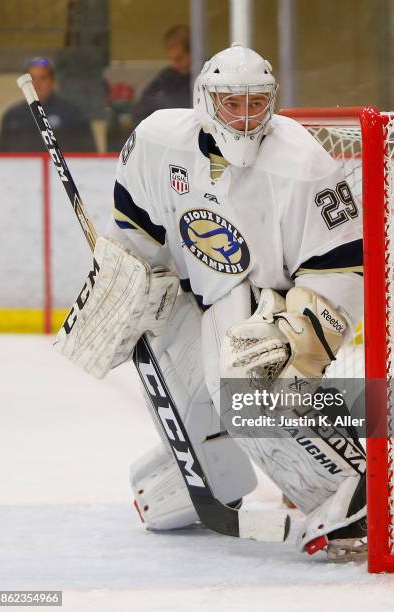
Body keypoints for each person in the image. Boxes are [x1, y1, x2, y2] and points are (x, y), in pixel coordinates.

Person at [55, 43, 366, 561]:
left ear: (271, 103)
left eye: (255, 104)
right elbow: (139, 236)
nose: (245, 117)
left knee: (241, 369)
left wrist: (301, 331)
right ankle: (201, 472)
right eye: (231, 104)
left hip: (274, 304)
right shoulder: (158, 142)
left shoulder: (304, 162)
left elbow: (342, 264)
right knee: (153, 336)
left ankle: (348, 486)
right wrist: (118, 284)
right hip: (200, 294)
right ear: (205, 101)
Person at [0, 56, 96, 153]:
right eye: (31, 79)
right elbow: (0, 158)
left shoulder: (73, 115)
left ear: (53, 81)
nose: (36, 84)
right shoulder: (12, 116)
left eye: (42, 78)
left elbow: (90, 156)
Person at [132, 25, 192, 126]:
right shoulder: (167, 77)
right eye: (172, 59)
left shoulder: (211, 75)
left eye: (179, 58)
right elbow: (141, 111)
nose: (175, 64)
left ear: (194, 52)